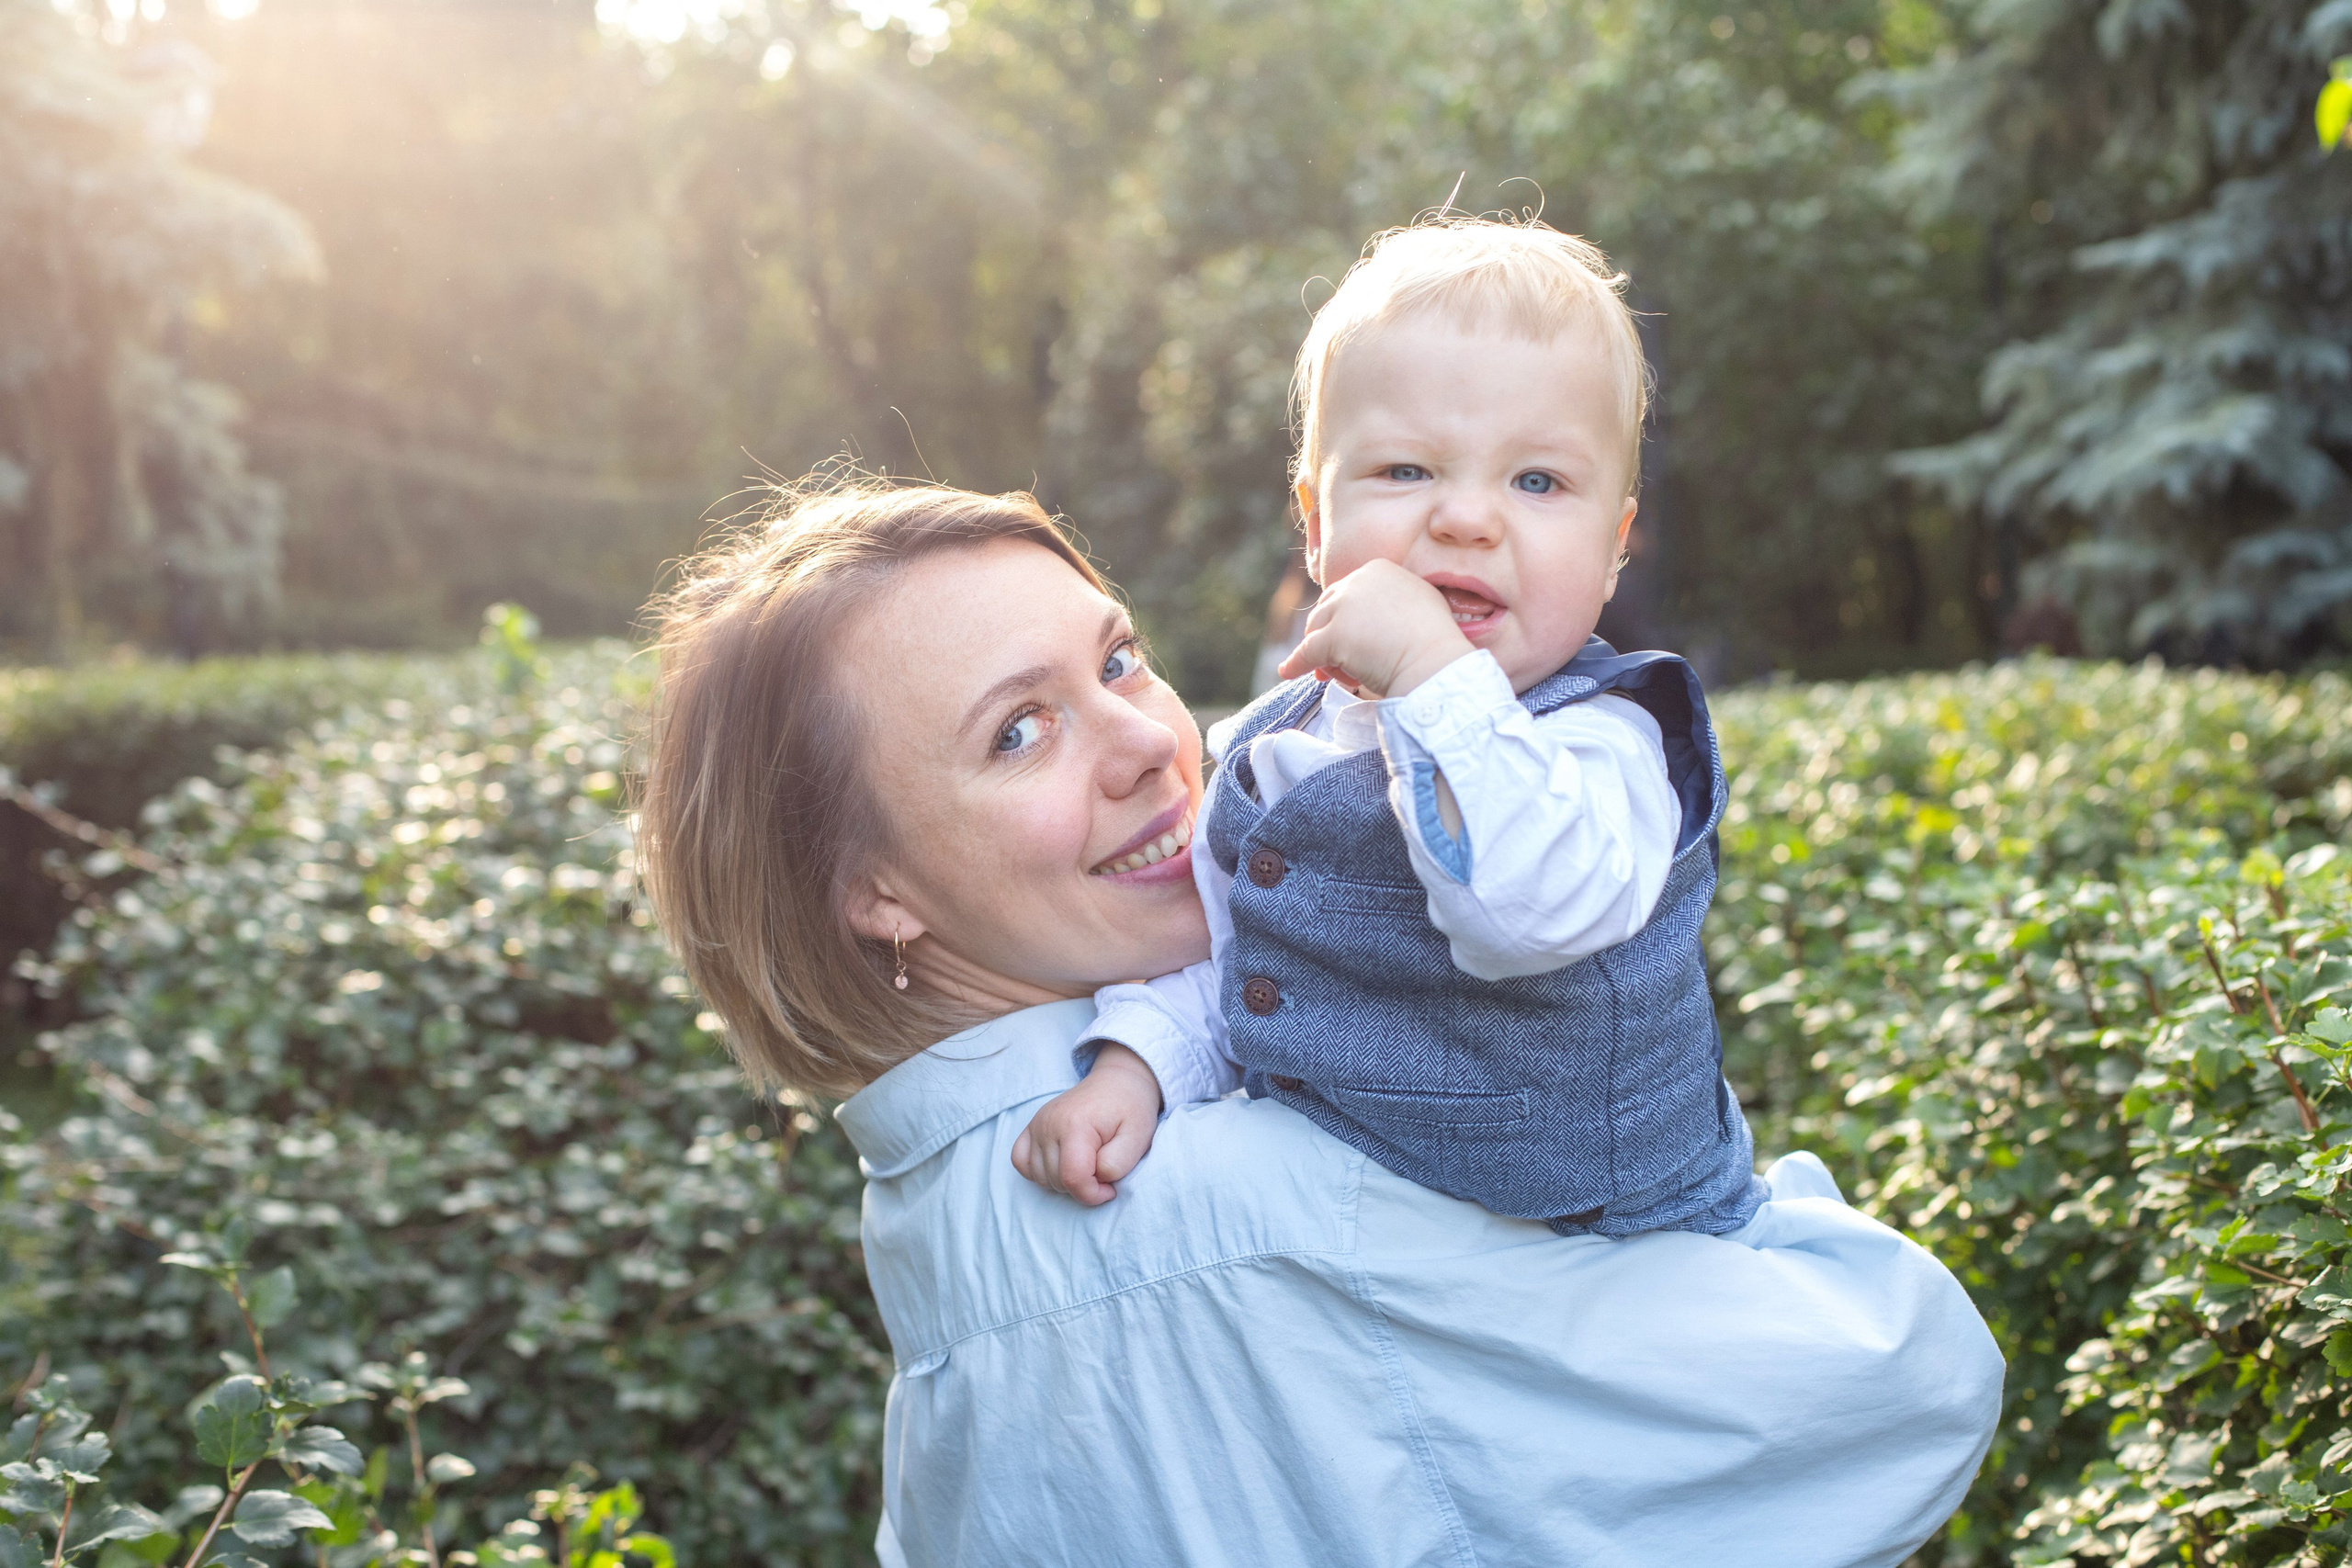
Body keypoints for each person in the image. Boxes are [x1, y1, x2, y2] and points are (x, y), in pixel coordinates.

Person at [636, 478, 2004, 1566]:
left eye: (1120, 659)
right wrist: (1709, 1182)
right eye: (1017, 732)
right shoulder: (1243, 1206)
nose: (1144, 743)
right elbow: (1894, 1381)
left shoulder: (948, 1199)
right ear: (871, 892)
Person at [1015, 218, 1756, 1237]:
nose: (1466, 519)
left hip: (1616, 1243)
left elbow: (1528, 917)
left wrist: (1429, 677)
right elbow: (1235, 961)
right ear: (1315, 525)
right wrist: (1137, 1068)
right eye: (1407, 472)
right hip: (1375, 1249)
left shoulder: (1606, 740)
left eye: (1537, 481)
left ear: (1613, 548)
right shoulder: (1277, 747)